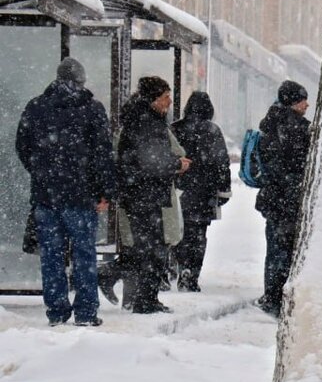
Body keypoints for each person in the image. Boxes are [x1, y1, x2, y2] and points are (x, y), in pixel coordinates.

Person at [15, 57, 116, 326]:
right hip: (81, 197)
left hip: (46, 197)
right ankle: (86, 313)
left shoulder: (36, 107)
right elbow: (103, 154)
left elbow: (22, 146)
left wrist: (41, 172)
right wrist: (105, 190)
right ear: (81, 81)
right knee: (84, 255)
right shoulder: (92, 109)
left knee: (51, 257)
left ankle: (57, 311)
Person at [116, 76, 191, 314]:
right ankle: (143, 299)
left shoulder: (142, 119)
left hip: (140, 193)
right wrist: (177, 164)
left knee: (147, 248)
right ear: (153, 99)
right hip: (144, 194)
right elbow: (151, 161)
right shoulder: (147, 122)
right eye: (165, 97)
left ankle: (144, 297)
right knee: (151, 249)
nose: (170, 101)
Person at [254, 80, 311, 317]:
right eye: (302, 100)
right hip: (290, 199)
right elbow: (295, 166)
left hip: (273, 198)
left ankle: (272, 295)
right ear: (292, 102)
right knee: (288, 251)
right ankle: (281, 298)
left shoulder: (270, 124)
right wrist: (295, 186)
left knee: (275, 248)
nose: (307, 105)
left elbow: (270, 163)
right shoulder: (298, 129)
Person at [170, 92, 231, 292]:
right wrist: (223, 190)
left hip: (179, 189)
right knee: (198, 234)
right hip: (204, 191)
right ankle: (192, 274)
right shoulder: (212, 130)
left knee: (180, 231)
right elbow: (222, 162)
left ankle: (181, 265)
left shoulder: (175, 128)